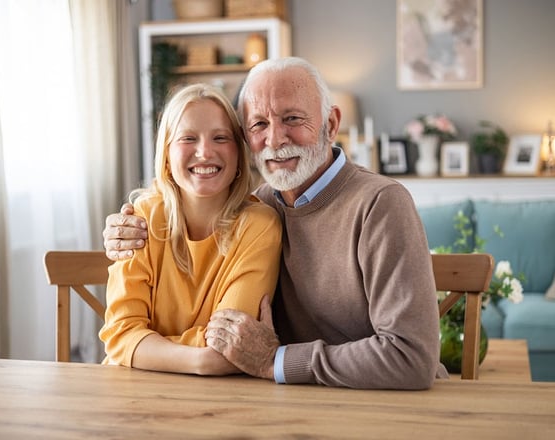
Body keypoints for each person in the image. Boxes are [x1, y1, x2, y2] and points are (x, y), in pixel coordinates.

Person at [103, 57, 447, 389]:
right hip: (279, 401)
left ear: (330, 125)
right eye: (259, 125)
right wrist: (121, 231)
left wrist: (277, 361)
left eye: (293, 118)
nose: (275, 139)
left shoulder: (381, 203)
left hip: (374, 406)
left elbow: (411, 358)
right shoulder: (262, 203)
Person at [98, 83, 282, 376]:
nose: (205, 152)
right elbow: (120, 336)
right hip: (130, 392)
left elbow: (230, 345)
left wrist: (147, 346)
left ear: (238, 155)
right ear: (167, 156)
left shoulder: (259, 226)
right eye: (188, 138)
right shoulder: (140, 219)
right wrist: (202, 361)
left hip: (214, 399)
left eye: (221, 138)